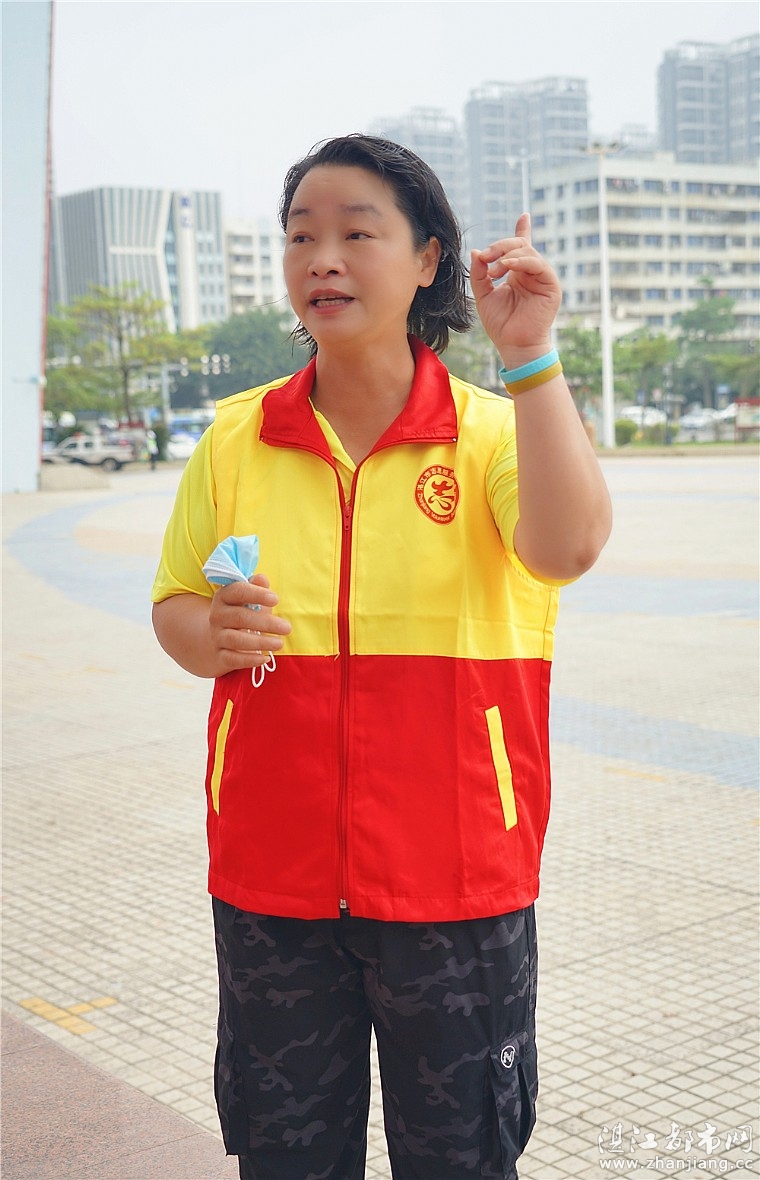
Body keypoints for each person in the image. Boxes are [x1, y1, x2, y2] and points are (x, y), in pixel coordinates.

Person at [151, 134, 611, 1180]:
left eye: (358, 233)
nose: (323, 257)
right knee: (287, 1158)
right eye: (301, 236)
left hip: (457, 880)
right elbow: (175, 603)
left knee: (460, 1158)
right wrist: (208, 635)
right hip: (272, 881)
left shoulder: (490, 434)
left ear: (427, 259)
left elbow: (569, 546)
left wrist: (532, 358)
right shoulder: (235, 440)